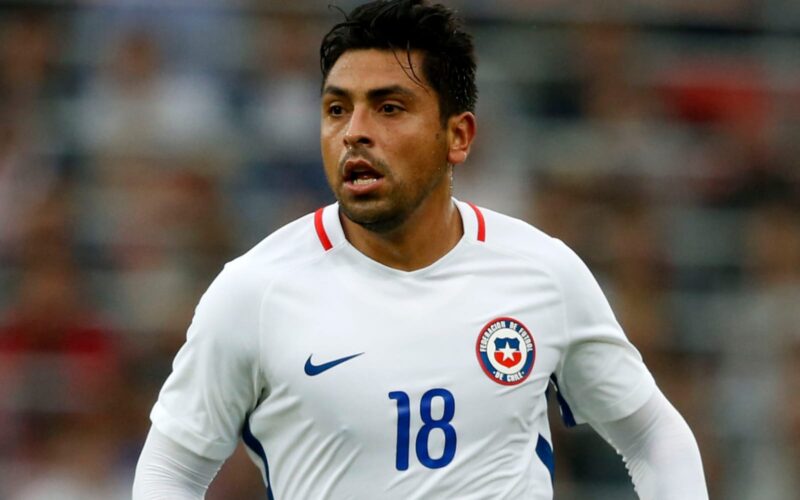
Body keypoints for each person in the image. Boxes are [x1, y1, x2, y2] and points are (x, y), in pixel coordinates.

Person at [132, 1, 708, 498]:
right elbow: (170, 468)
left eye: (389, 107)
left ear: (457, 136)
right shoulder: (254, 290)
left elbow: (652, 433)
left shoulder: (543, 272)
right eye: (337, 109)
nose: (354, 131)